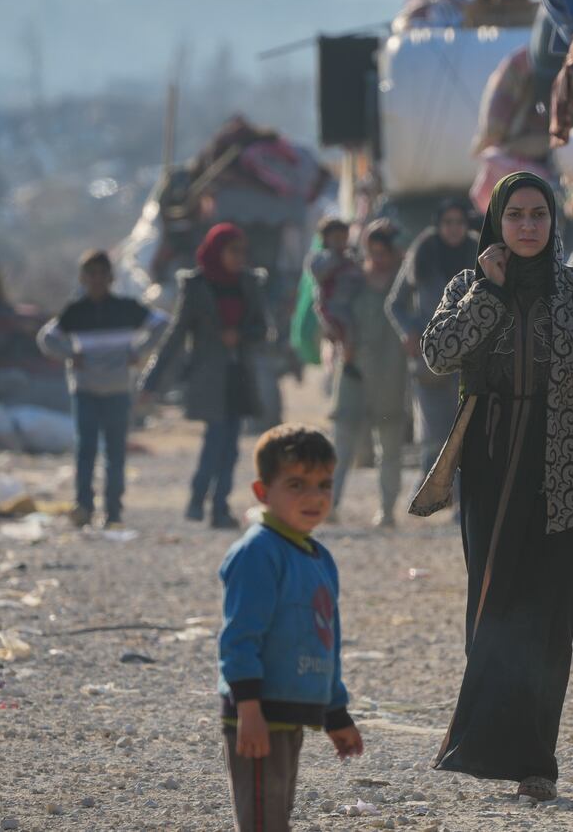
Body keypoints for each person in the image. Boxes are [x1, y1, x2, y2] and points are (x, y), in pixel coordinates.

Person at [411, 173, 573, 801]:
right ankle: (486, 743)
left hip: (564, 469)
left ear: (553, 223)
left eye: (538, 214)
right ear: (496, 220)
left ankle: (536, 759)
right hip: (488, 465)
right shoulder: (468, 285)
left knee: (547, 614)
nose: (527, 226)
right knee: (490, 608)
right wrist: (488, 292)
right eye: (514, 215)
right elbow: (438, 355)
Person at [217, 424, 364, 832]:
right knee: (262, 821)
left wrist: (335, 713)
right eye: (296, 484)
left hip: (291, 717)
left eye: (323, 484)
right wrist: (247, 708)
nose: (314, 497)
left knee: (274, 817)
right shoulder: (257, 553)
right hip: (258, 715)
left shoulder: (319, 558)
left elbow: (325, 644)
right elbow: (239, 638)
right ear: (263, 492)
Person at [144, 223, 269, 529]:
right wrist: (151, 381)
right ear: (217, 251)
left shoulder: (249, 284)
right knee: (216, 439)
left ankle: (219, 507)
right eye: (232, 251)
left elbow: (263, 330)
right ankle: (200, 498)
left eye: (242, 251)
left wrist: (239, 335)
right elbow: (176, 335)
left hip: (239, 374)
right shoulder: (197, 287)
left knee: (230, 445)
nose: (239, 257)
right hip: (209, 377)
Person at [37, 250, 168, 528]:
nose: (96, 280)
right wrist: (70, 355)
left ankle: (113, 510)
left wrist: (141, 350)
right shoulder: (75, 312)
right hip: (85, 391)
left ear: (111, 277)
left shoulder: (126, 308)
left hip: (119, 390)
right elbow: (46, 338)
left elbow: (162, 324)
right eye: (90, 274)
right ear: (83, 278)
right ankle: (84, 506)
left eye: (101, 274)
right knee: (86, 449)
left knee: (116, 452)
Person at [324, 221, 411, 527]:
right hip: (354, 368)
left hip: (391, 374)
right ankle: (329, 505)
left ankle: (387, 510)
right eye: (372, 251)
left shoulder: (404, 284)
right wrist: (340, 338)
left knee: (389, 446)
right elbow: (330, 313)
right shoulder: (352, 279)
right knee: (343, 442)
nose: (378, 258)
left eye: (383, 251)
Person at [385, 199, 479, 475]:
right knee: (433, 432)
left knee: (467, 431)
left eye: (459, 222)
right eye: (447, 223)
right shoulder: (422, 252)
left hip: (470, 355)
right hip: (431, 356)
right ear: (438, 225)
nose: (453, 229)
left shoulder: (479, 253)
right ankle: (432, 489)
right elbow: (394, 304)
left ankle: (463, 499)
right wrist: (410, 332)